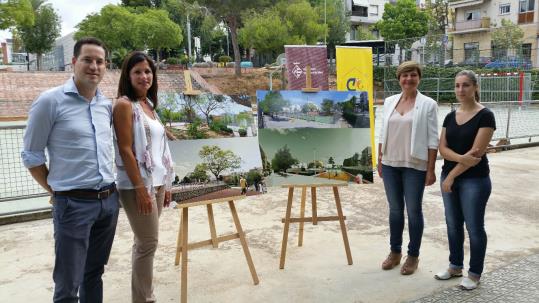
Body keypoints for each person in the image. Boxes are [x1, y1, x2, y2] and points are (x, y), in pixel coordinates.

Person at [22, 37, 119, 303]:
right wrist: (55, 190)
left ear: (105, 66)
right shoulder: (49, 102)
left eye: (100, 61)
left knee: (94, 273)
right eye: (87, 60)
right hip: (72, 204)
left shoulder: (105, 105)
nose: (94, 66)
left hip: (108, 201)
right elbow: (31, 155)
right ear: (73, 62)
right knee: (68, 284)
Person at [113, 51, 175, 302]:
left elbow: (160, 148)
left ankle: (141, 295)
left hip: (157, 184)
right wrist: (141, 188)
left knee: (144, 242)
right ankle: (144, 299)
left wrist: (166, 185)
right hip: (138, 186)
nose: (144, 76)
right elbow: (125, 149)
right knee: (148, 243)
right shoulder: (124, 105)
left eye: (148, 71)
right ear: (128, 75)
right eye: (137, 71)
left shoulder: (148, 104)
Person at [434, 70, 495, 290]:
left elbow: (476, 154)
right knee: (452, 225)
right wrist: (460, 159)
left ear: (475, 87)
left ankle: (474, 273)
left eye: (466, 85)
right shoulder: (450, 116)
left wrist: (450, 176)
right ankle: (455, 266)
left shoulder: (485, 115)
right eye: (458, 85)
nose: (461, 90)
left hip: (475, 181)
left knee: (474, 227)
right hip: (450, 176)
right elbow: (442, 147)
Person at [378, 61, 439, 275]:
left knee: (414, 211)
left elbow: (433, 139)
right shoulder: (389, 102)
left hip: (415, 165)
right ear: (399, 79)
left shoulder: (428, 104)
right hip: (390, 163)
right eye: (404, 75)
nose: (408, 79)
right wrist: (379, 158)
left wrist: (431, 169)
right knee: (395, 210)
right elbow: (382, 131)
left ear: (419, 78)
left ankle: (413, 255)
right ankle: (395, 252)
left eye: (412, 75)